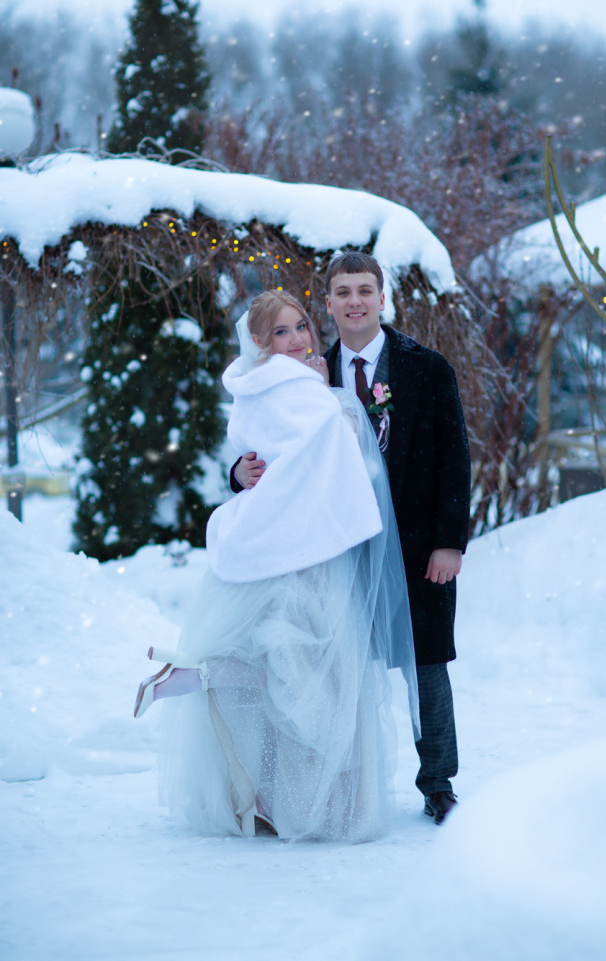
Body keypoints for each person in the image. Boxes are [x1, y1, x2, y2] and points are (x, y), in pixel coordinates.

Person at [134, 291, 419, 843]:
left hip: (283, 539)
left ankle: (266, 792)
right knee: (311, 680)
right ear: (261, 342)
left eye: (301, 327)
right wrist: (328, 396)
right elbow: (334, 446)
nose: (297, 340)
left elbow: (270, 456)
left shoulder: (251, 388)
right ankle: (316, 804)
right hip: (304, 552)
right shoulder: (297, 387)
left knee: (283, 675)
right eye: (281, 333)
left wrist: (244, 471)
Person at [232, 254, 471, 825]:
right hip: (334, 548)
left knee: (426, 664)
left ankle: (438, 783)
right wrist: (238, 474)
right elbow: (268, 449)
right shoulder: (306, 370)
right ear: (329, 303)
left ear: (382, 299)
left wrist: (449, 542)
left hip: (414, 543)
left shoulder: (426, 367)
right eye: (343, 292)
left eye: (365, 290)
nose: (355, 302)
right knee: (335, 668)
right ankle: (339, 790)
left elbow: (454, 458)